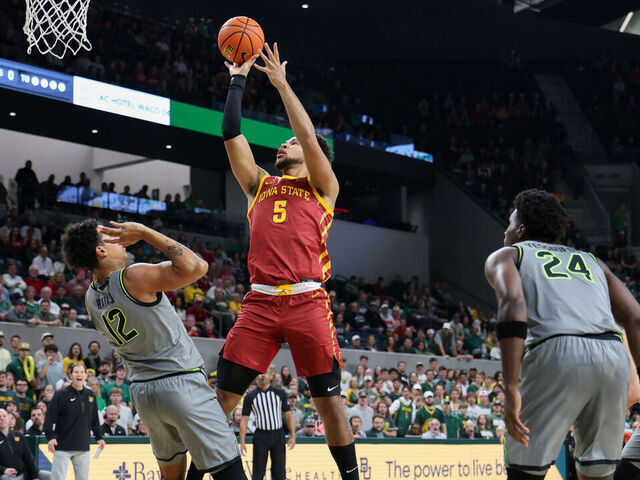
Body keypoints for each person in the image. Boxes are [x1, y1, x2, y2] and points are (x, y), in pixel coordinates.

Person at [216, 44, 357, 480]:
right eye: (283, 140)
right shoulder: (258, 184)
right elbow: (231, 135)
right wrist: (238, 80)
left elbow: (310, 137)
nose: (285, 142)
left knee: (329, 403)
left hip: (307, 302)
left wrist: (280, 84)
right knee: (218, 403)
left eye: (290, 141)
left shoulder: (322, 186)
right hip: (258, 304)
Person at [62, 219, 246, 480]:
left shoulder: (90, 298)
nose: (122, 239)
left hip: (144, 394)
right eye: (113, 237)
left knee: (171, 477)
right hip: (179, 382)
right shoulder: (132, 277)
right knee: (231, 472)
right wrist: (145, 233)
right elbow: (198, 267)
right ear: (100, 251)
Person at [484, 189, 638, 480]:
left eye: (509, 222)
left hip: (555, 349)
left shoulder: (508, 254)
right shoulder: (593, 261)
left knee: (524, 471)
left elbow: (513, 304)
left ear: (521, 230)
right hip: (611, 354)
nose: (505, 230)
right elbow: (635, 317)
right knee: (598, 473)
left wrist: (511, 388)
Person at [44, 364, 105, 480]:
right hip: (62, 446)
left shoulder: (90, 395)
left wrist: (99, 437)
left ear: (86, 376)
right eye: (76, 372)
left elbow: (94, 420)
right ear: (70, 375)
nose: (79, 375)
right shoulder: (61, 394)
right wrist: (50, 437)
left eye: (82, 372)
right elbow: (49, 417)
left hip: (83, 447)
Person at [239, 374, 295, 480]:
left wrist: (293, 435)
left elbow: (288, 415)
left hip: (278, 435)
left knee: (279, 473)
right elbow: (244, 419)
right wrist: (242, 441)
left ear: (270, 375)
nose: (262, 376)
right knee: (258, 472)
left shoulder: (280, 393)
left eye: (265, 373)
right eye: (259, 374)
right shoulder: (250, 396)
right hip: (261, 435)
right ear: (256, 377)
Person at [0, 408, 51, 479]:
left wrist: (34, 476)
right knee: (7, 478)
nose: (2, 418)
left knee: (51, 476)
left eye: (4, 416)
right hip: (5, 475)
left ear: (8, 419)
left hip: (24, 473)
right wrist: (4, 470)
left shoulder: (18, 435)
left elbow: (29, 458)